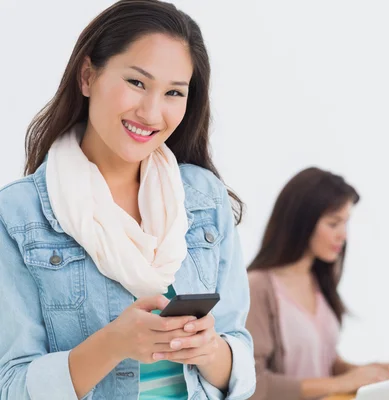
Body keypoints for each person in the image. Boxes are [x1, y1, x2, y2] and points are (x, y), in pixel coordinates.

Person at [0, 1, 255, 399]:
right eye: (137, 82)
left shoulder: (205, 199)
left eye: (174, 92)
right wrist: (114, 344)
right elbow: (11, 386)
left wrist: (209, 350)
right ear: (88, 76)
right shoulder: (17, 215)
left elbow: (238, 360)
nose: (152, 112)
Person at [246, 167, 389, 400]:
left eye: (346, 223)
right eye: (333, 224)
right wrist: (342, 382)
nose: (344, 235)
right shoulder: (258, 287)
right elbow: (254, 384)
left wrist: (363, 372)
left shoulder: (317, 278)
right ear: (301, 223)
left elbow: (321, 358)